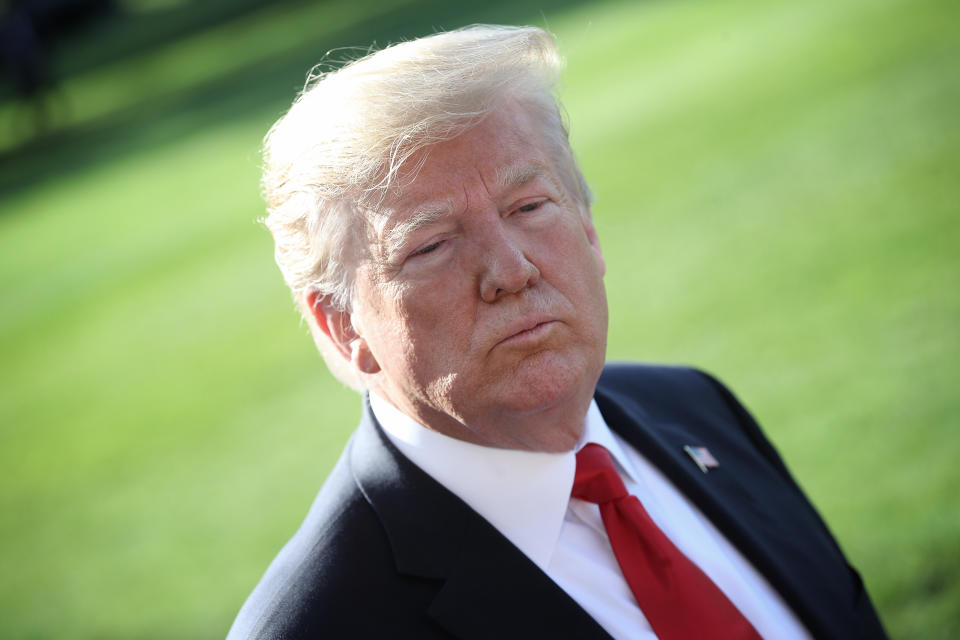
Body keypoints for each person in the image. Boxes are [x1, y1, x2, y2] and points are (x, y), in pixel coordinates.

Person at [228, 25, 887, 640]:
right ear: (341, 326)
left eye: (530, 207)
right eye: (430, 246)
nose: (511, 270)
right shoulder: (319, 624)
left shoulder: (697, 409)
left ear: (589, 227)